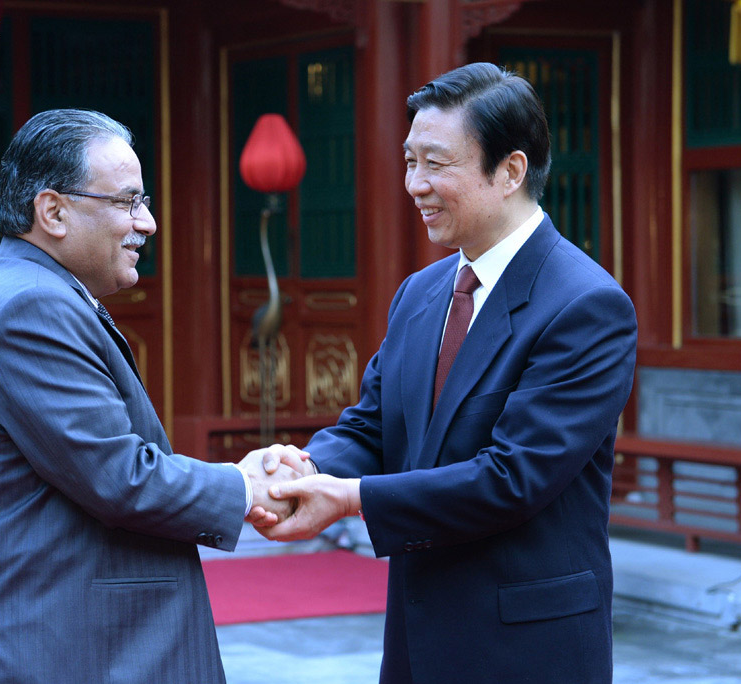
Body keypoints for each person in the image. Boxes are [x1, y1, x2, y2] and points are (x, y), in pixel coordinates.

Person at [258, 63, 638, 684]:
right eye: (410, 162)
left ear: (511, 171)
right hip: (415, 639)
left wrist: (347, 500)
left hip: (526, 647)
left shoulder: (584, 305)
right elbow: (373, 427)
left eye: (436, 164)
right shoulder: (422, 292)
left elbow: (512, 478)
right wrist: (305, 468)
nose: (414, 184)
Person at [0, 108, 301, 684]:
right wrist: (244, 484)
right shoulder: (33, 308)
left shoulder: (35, 292)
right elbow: (120, 476)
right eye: (128, 202)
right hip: (43, 650)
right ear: (52, 211)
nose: (146, 223)